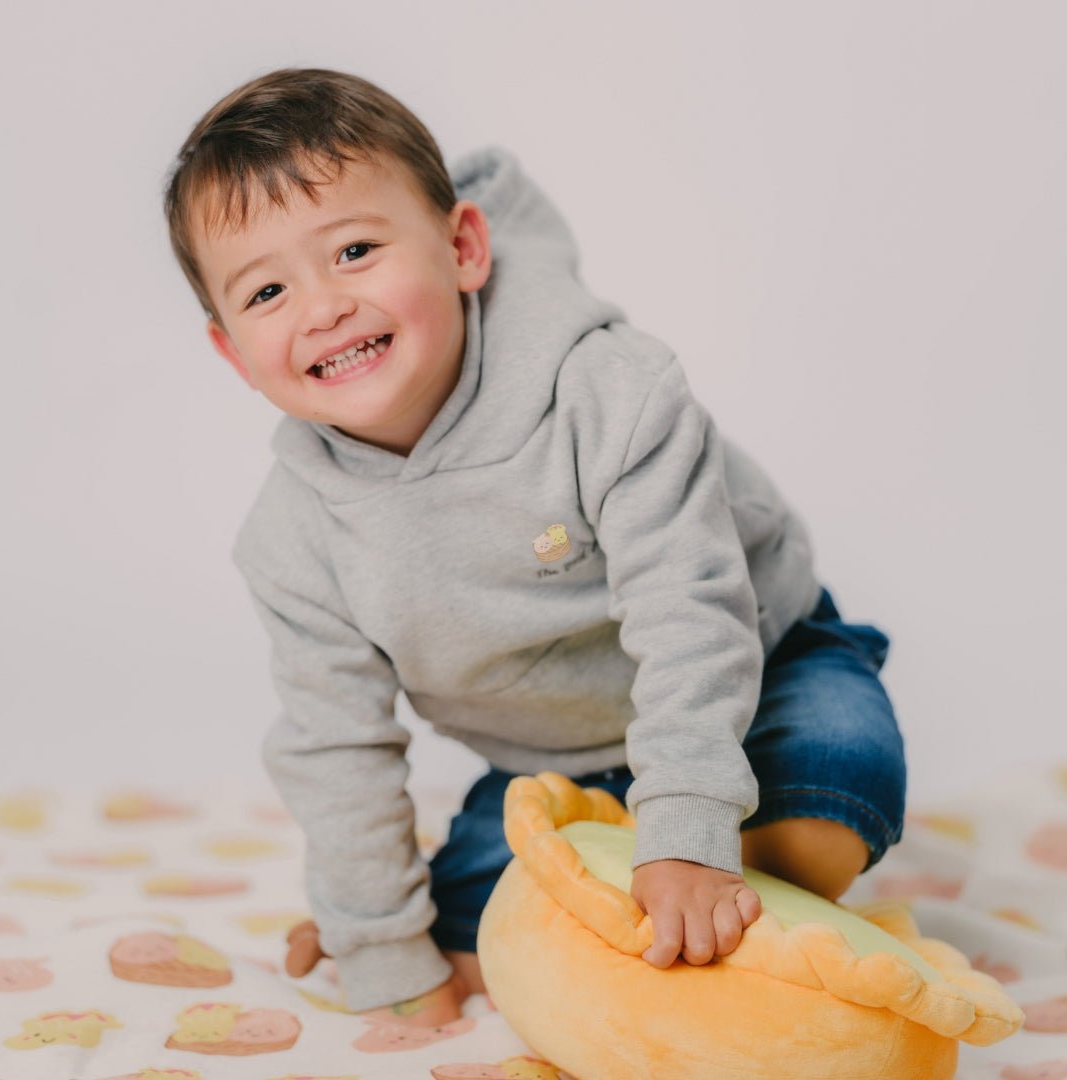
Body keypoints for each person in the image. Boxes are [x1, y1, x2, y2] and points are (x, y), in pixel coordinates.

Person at [163, 67, 905, 1028]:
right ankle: (622, 893)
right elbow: (336, 748)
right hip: (550, 765)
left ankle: (672, 886)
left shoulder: (607, 392)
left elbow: (692, 614)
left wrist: (685, 833)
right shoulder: (292, 541)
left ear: (464, 247)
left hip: (758, 668)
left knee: (838, 781)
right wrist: (383, 946)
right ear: (231, 351)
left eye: (353, 249)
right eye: (267, 290)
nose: (322, 306)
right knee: (466, 928)